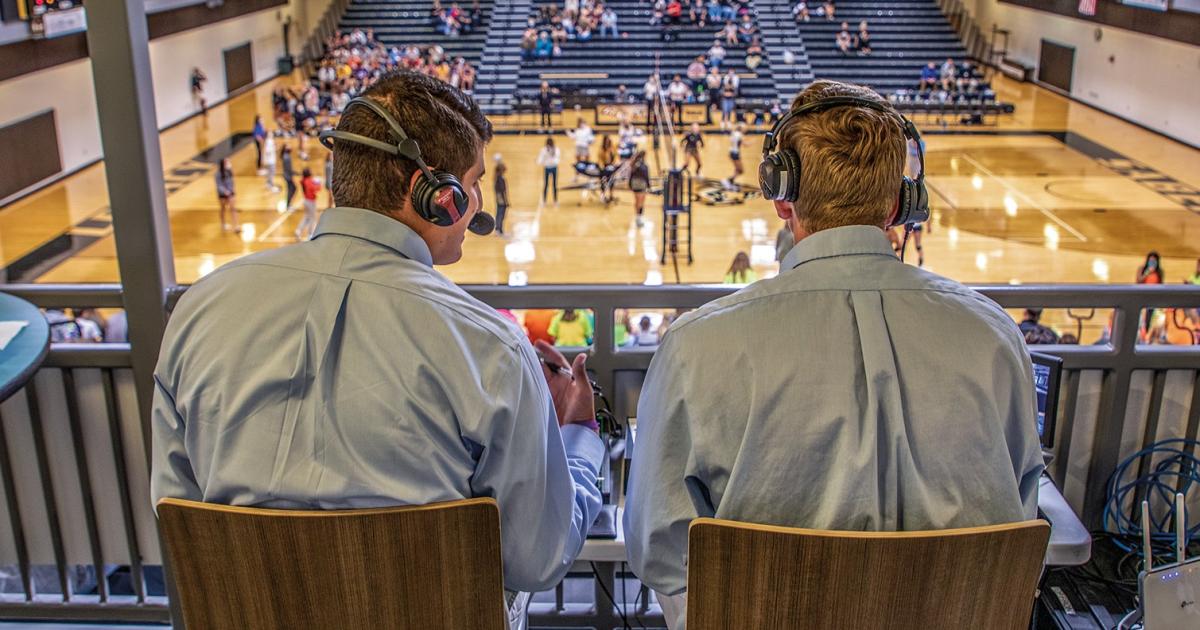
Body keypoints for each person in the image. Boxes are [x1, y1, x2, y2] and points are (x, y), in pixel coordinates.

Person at [152, 71, 605, 626]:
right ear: (438, 196)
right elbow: (538, 559)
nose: (478, 204)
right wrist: (577, 440)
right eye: (472, 181)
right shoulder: (491, 348)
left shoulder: (199, 310)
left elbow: (175, 515)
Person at [625, 80, 1042, 626]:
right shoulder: (995, 337)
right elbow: (1022, 522)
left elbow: (658, 552)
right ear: (900, 204)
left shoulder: (696, 346)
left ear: (781, 193)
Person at [296, 168, 321, 240]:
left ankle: (298, 230)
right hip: (311, 202)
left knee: (306, 217)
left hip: (306, 201)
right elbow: (316, 188)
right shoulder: (308, 181)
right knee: (312, 218)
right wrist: (318, 183)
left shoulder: (303, 180)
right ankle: (310, 234)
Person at [215, 158, 238, 232]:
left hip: (230, 193)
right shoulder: (218, 174)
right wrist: (225, 192)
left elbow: (232, 182)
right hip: (222, 195)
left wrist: (232, 190)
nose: (229, 164)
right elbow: (219, 186)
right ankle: (223, 224)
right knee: (223, 209)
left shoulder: (229, 172)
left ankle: (236, 226)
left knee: (233, 209)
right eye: (227, 163)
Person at [629, 150, 650, 227]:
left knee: (637, 201)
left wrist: (630, 184)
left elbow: (631, 175)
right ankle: (639, 218)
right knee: (641, 202)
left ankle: (638, 217)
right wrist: (648, 186)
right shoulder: (643, 166)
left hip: (634, 184)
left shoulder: (634, 164)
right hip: (641, 184)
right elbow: (646, 176)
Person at [537, 136, 560, 205]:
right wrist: (539, 162)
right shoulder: (544, 150)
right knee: (546, 185)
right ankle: (544, 201)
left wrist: (553, 161)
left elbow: (557, 158)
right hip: (547, 168)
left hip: (554, 168)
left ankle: (555, 201)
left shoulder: (556, 149)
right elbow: (540, 158)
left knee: (554, 185)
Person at [725, 122, 744, 189]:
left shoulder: (734, 133)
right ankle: (728, 181)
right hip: (735, 153)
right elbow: (743, 144)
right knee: (740, 170)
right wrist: (752, 143)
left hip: (731, 152)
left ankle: (731, 181)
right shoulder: (739, 135)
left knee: (737, 169)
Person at [494, 159, 509, 235]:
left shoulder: (497, 178)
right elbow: (503, 191)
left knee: (499, 213)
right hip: (501, 199)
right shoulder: (500, 179)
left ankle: (499, 229)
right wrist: (506, 201)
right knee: (501, 214)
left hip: (499, 198)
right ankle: (499, 229)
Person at [281, 143, 298, 211]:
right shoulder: (287, 157)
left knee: (292, 189)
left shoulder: (286, 156)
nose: (290, 147)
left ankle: (288, 204)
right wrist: (293, 174)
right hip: (288, 176)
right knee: (291, 189)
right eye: (288, 146)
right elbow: (288, 169)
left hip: (287, 175)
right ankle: (288, 205)